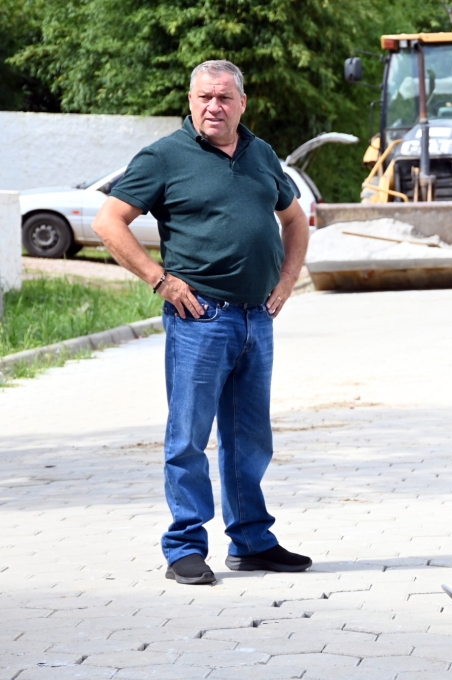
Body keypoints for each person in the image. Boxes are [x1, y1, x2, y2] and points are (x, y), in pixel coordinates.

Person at [91, 60, 312, 585]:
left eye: (225, 98)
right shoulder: (165, 156)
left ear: (242, 103)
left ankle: (253, 541)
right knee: (189, 436)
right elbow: (108, 221)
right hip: (201, 318)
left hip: (258, 317)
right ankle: (185, 546)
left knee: (250, 437)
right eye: (204, 98)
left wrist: (285, 283)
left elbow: (295, 218)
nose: (214, 106)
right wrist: (159, 279)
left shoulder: (261, 153)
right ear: (190, 102)